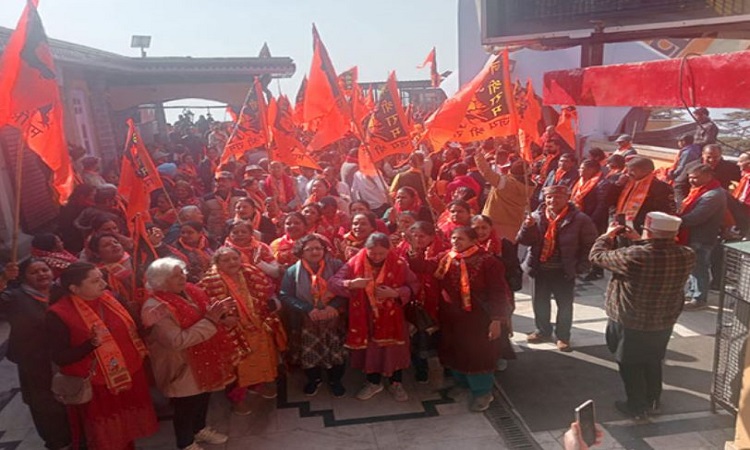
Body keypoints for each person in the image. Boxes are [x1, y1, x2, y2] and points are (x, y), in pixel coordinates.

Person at [589, 212, 696, 420]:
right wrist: (641, 240)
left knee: (629, 363)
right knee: (653, 359)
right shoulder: (687, 254)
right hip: (664, 319)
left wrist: (607, 236)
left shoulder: (635, 256)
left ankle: (636, 406)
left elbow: (597, 255)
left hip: (631, 320)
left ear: (649, 231)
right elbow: (659, 252)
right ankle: (653, 400)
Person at [47, 262, 158, 450]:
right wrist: (90, 345)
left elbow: (132, 330)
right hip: (99, 385)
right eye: (95, 280)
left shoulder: (111, 298)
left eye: (102, 278)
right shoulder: (58, 314)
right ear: (75, 288)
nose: (104, 284)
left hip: (130, 374)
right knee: (108, 435)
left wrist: (148, 323)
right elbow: (60, 357)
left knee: (127, 430)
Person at [141, 258, 235, 450]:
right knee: (186, 406)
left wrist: (221, 316)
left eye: (181, 272)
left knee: (203, 396)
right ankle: (186, 443)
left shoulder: (191, 291)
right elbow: (177, 341)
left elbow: (206, 312)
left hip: (204, 358)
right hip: (182, 365)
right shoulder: (155, 307)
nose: (182, 277)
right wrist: (211, 321)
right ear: (160, 281)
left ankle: (199, 429)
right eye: (174, 276)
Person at [329, 233, 419, 402]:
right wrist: (350, 283)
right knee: (371, 350)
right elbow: (333, 282)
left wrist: (396, 293)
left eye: (381, 253)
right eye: (372, 253)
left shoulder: (400, 263)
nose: (377, 257)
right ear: (365, 249)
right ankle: (373, 382)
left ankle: (396, 383)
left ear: (389, 250)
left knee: (393, 350)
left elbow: (414, 285)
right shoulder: (354, 263)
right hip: (365, 316)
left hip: (392, 317)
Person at [435, 227, 513, 411]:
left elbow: (498, 292)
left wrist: (497, 320)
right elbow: (424, 266)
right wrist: (414, 247)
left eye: (460, 239)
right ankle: (462, 383)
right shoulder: (446, 258)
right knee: (455, 349)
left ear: (473, 240)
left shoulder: (489, 262)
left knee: (478, 354)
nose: (455, 242)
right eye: (453, 238)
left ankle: (482, 392)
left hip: (479, 318)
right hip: (452, 317)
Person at [198, 247, 284, 414]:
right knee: (237, 367)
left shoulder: (252, 273)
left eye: (234, 258)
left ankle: (259, 385)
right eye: (225, 260)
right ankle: (238, 400)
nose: (231, 263)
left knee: (262, 358)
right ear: (216, 263)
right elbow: (202, 307)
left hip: (258, 326)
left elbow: (267, 293)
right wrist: (222, 319)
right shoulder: (208, 282)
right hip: (232, 330)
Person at [0, 259, 71, 449]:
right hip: (34, 361)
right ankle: (57, 441)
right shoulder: (14, 298)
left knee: (71, 399)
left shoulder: (61, 293)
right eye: (34, 272)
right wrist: (4, 280)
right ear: (23, 277)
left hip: (64, 357)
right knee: (44, 403)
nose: (41, 274)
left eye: (44, 269)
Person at [517, 185, 598, 351]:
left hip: (564, 270)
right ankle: (542, 330)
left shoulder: (580, 219)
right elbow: (524, 241)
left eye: (557, 197)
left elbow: (589, 244)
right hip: (539, 268)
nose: (552, 201)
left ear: (566, 198)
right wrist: (528, 227)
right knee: (539, 302)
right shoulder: (536, 217)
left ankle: (563, 336)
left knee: (565, 305)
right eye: (549, 197)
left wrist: (582, 266)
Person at [279, 235, 348, 397]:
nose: (315, 251)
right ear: (301, 252)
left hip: (333, 318)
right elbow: (284, 295)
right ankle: (314, 379)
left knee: (336, 352)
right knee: (309, 352)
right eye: (309, 249)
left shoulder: (337, 266)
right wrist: (308, 308)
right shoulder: (293, 271)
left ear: (325, 250)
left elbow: (346, 288)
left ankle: (335, 380)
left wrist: (333, 306)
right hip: (307, 319)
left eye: (318, 248)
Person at [398, 221, 448, 382]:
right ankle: (421, 369)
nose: (418, 239)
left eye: (422, 236)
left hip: (438, 300)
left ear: (432, 236)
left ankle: (448, 368)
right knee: (417, 335)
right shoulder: (403, 248)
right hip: (413, 299)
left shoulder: (443, 251)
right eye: (415, 236)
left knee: (440, 335)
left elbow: (428, 267)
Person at [678, 164, 727, 310]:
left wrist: (676, 221)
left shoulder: (713, 194)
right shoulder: (699, 191)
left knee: (700, 267)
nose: (692, 181)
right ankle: (693, 292)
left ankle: (699, 299)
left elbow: (697, 217)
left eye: (695, 177)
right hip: (693, 235)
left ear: (708, 176)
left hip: (702, 237)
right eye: (690, 178)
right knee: (694, 267)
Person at [474, 152, 535, 243]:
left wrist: (478, 155)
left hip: (494, 222)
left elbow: (486, 172)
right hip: (514, 225)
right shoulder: (530, 187)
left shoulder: (505, 183)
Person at [613, 157, 676, 234]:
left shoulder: (661, 187)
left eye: (633, 170)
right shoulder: (624, 181)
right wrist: (618, 185)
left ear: (646, 171)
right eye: (628, 169)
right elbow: (610, 200)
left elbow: (665, 210)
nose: (629, 173)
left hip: (642, 227)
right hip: (621, 223)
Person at [202, 171, 245, 241]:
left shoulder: (241, 195)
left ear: (231, 182)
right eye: (217, 181)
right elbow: (204, 217)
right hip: (216, 234)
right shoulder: (207, 199)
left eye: (224, 181)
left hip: (238, 232)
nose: (220, 184)